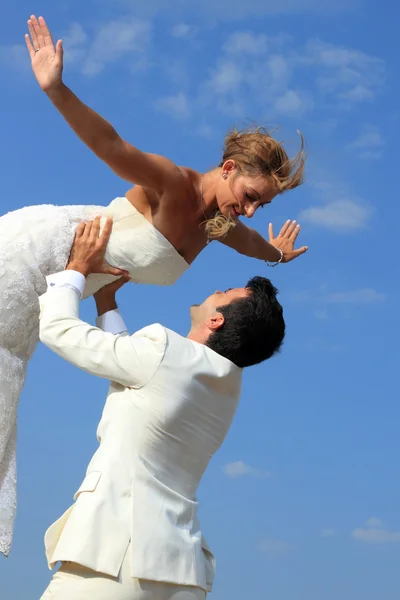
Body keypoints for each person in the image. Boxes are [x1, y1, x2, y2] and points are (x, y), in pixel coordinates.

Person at [0, 14, 307, 559]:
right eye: (253, 196)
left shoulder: (220, 225)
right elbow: (111, 143)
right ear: (229, 167)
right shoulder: (175, 184)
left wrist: (277, 255)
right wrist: (55, 87)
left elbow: (253, 245)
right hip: (43, 250)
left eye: (265, 206)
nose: (254, 210)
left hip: (71, 276)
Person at [38, 218, 286, 599]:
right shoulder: (226, 386)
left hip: (116, 559)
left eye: (222, 292)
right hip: (182, 573)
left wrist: (75, 271)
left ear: (216, 320)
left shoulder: (165, 350)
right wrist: (106, 303)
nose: (214, 290)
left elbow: (60, 332)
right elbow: (138, 374)